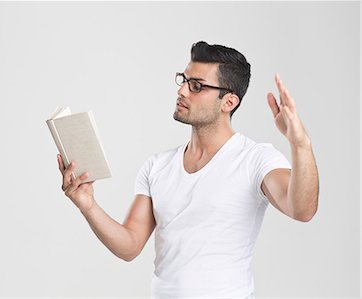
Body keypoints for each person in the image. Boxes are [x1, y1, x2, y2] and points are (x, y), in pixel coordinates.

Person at [57, 41, 319, 299]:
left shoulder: (255, 159)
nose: (182, 91)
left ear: (228, 102)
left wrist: (300, 143)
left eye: (196, 86)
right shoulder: (157, 165)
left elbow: (302, 209)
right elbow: (130, 246)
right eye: (183, 80)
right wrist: (88, 205)